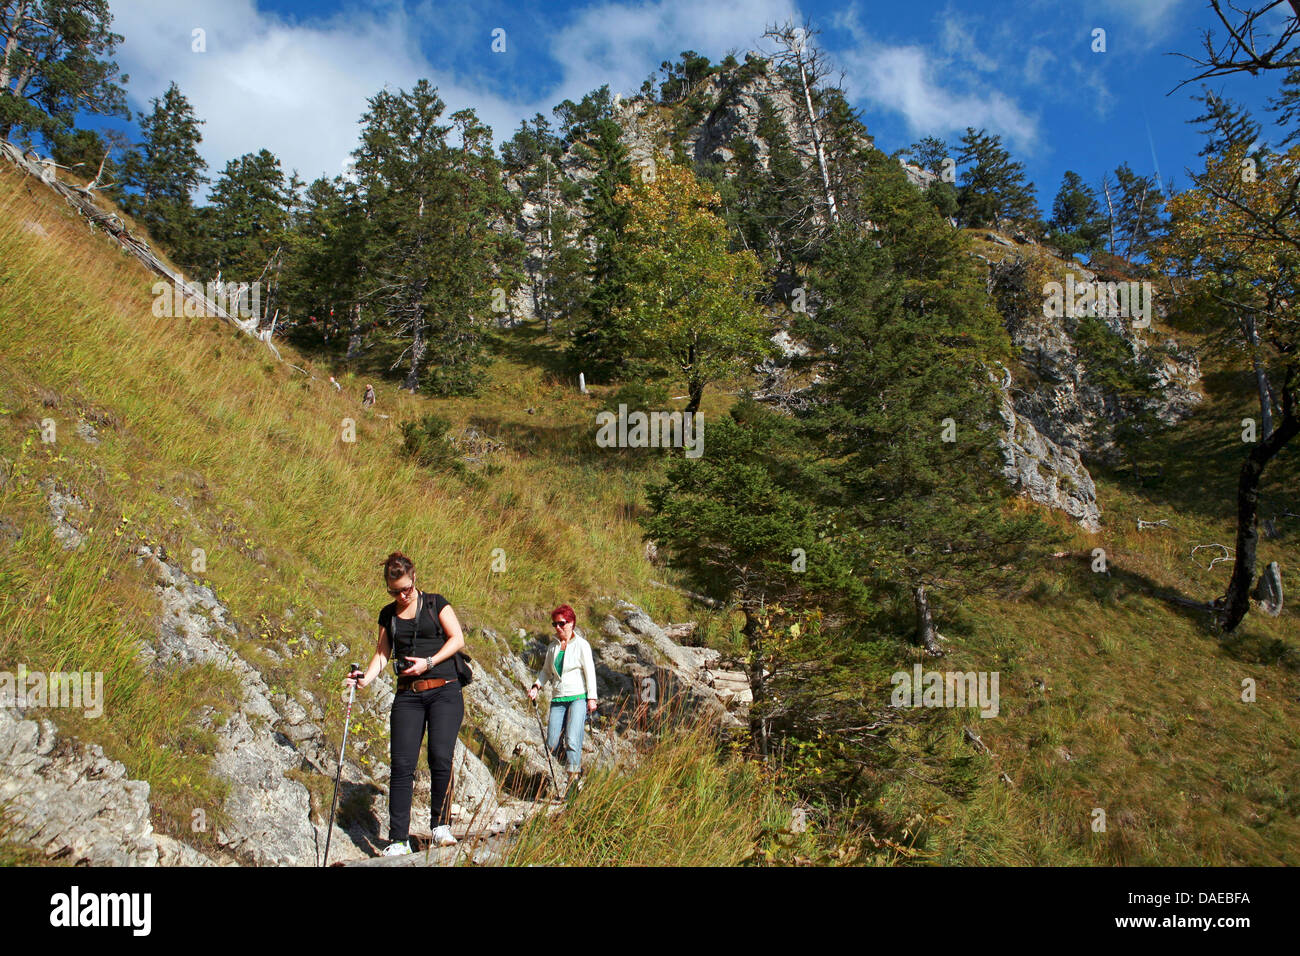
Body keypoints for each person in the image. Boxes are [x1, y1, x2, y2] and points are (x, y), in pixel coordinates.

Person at [345, 551, 466, 855]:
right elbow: (382, 654)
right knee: (401, 765)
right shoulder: (388, 614)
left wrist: (429, 661)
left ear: (415, 579)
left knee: (440, 755)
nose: (401, 595)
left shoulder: (436, 603)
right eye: (394, 590)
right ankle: (398, 839)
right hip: (408, 695)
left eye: (406, 589)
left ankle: (440, 826)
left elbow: (457, 639)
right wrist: (364, 679)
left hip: (444, 689)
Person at [528, 605, 598, 792]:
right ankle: (573, 765)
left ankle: (573, 782)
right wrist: (536, 686)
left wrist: (592, 698)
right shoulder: (553, 648)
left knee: (573, 739)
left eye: (562, 623)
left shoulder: (582, 645)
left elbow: (589, 672)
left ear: (572, 623)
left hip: (578, 697)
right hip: (558, 698)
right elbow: (545, 672)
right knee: (551, 742)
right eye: (555, 624)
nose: (558, 627)